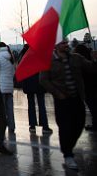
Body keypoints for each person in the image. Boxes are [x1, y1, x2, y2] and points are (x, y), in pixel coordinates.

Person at [40, 39, 97, 170]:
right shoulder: (48, 61)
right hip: (62, 100)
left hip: (77, 98)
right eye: (62, 43)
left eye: (66, 43)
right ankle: (68, 154)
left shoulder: (76, 58)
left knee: (79, 124)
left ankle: (68, 147)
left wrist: (94, 60)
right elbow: (43, 80)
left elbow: (92, 69)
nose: (66, 45)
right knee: (65, 127)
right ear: (56, 46)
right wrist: (57, 93)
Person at [19, 45, 52, 135]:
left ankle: (32, 126)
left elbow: (20, 69)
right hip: (39, 82)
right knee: (41, 104)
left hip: (28, 83)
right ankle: (45, 126)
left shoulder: (24, 55)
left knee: (31, 104)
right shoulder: (40, 54)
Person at [73, 44, 97, 131]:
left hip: (87, 87)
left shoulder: (80, 61)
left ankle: (95, 124)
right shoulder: (89, 60)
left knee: (92, 106)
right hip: (92, 86)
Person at [0, 42, 16, 133]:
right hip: (10, 87)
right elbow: (13, 73)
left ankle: (2, 126)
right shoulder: (11, 58)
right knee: (10, 108)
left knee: (2, 110)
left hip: (1, 87)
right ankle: (11, 126)